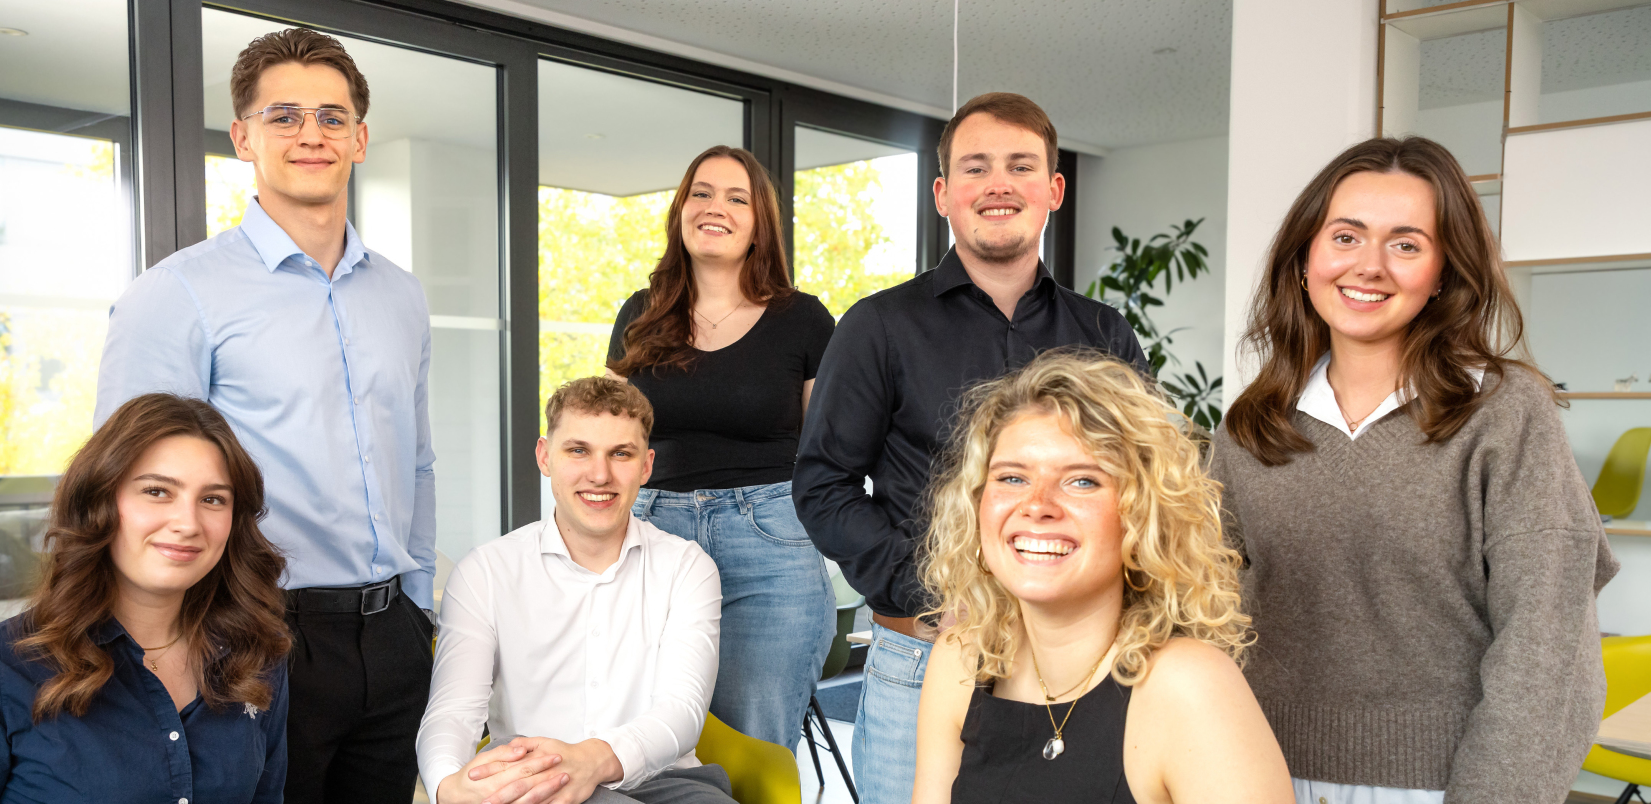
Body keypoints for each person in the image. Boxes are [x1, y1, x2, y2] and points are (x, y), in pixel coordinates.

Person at [1210, 136, 1617, 804]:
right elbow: (1200, 615)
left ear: (1443, 274)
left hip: (1442, 787)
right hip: (1253, 775)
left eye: (1405, 244)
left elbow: (1547, 649)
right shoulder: (1250, 426)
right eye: (1346, 236)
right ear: (1305, 259)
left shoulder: (1505, 413)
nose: (1369, 266)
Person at [94, 28, 438, 804]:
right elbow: (125, 486)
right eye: (284, 116)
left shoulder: (402, 296)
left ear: (359, 138)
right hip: (250, 634)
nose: (311, 134)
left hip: (392, 637)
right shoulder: (176, 295)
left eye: (331, 116)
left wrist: (416, 609)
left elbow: (417, 460)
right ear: (243, 137)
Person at [794, 91, 1147, 804]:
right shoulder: (878, 327)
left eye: (1021, 165)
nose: (997, 184)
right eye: (976, 167)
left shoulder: (1104, 333)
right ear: (943, 194)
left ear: (1053, 189)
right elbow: (823, 485)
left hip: (1078, 669)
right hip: (922, 660)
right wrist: (934, 594)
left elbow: (1145, 483)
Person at [910, 352, 1292, 804]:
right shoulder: (959, 659)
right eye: (1012, 478)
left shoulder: (1189, 685)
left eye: (1082, 481)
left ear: (1142, 517)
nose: (1037, 505)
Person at [0, 393, 290, 803]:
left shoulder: (257, 656)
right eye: (157, 491)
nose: (188, 523)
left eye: (212, 499)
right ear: (98, 503)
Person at [604, 145, 837, 748]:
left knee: (752, 745)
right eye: (701, 193)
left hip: (770, 545)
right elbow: (611, 439)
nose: (716, 207)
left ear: (760, 224)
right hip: (651, 538)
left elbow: (830, 454)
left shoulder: (804, 320)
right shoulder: (639, 314)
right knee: (645, 745)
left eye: (738, 198)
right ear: (681, 210)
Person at [418, 377, 732, 804]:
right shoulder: (485, 572)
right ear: (545, 456)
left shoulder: (687, 568)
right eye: (578, 450)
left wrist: (592, 760)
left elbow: (682, 710)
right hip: (532, 780)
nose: (599, 475)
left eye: (620, 454)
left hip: (664, 783)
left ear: (646, 466)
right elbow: (453, 711)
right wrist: (446, 787)